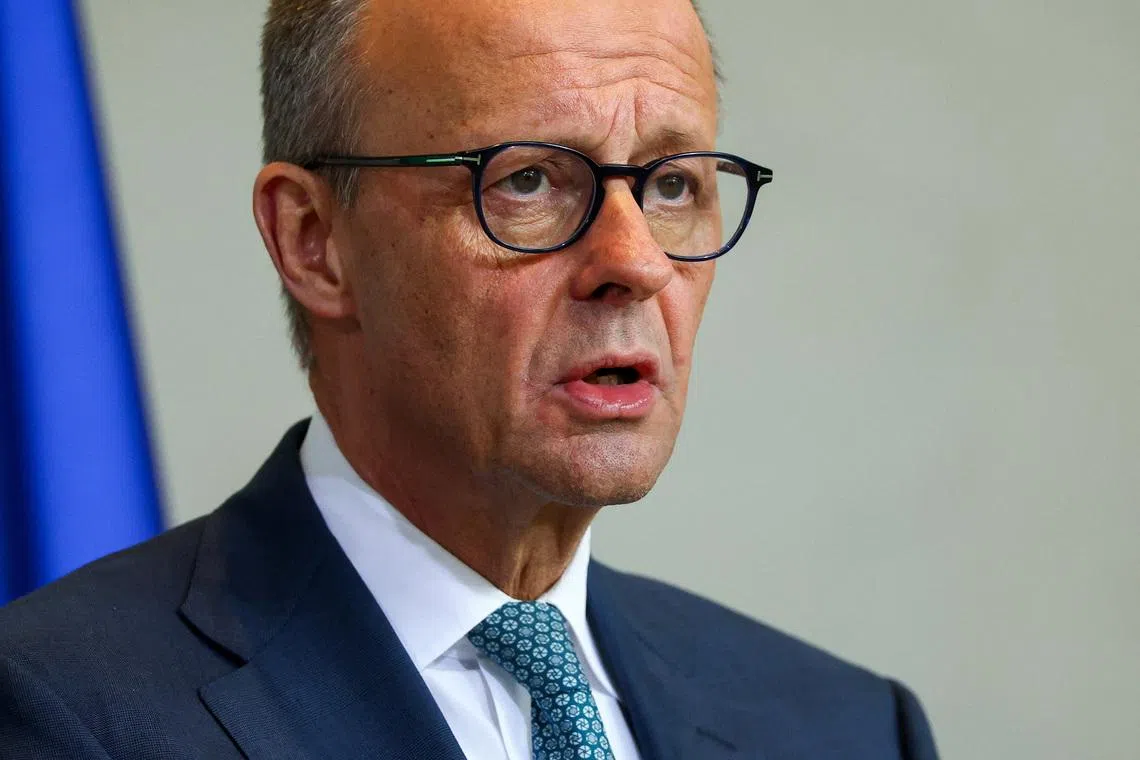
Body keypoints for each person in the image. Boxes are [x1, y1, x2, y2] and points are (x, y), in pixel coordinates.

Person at [0, 0, 939, 757]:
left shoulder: (848, 728)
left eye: (672, 184)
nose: (637, 261)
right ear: (313, 242)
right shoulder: (66, 714)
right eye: (528, 179)